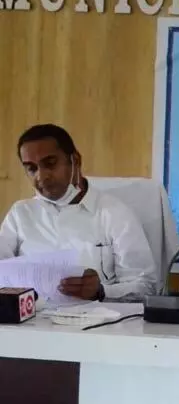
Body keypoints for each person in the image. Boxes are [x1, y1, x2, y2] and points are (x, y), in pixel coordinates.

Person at [0, 124, 157, 300]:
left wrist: (102, 291)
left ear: (75, 160)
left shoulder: (114, 213)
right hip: (31, 322)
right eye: (31, 168)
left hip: (99, 322)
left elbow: (146, 287)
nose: (41, 176)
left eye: (50, 164)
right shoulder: (20, 214)